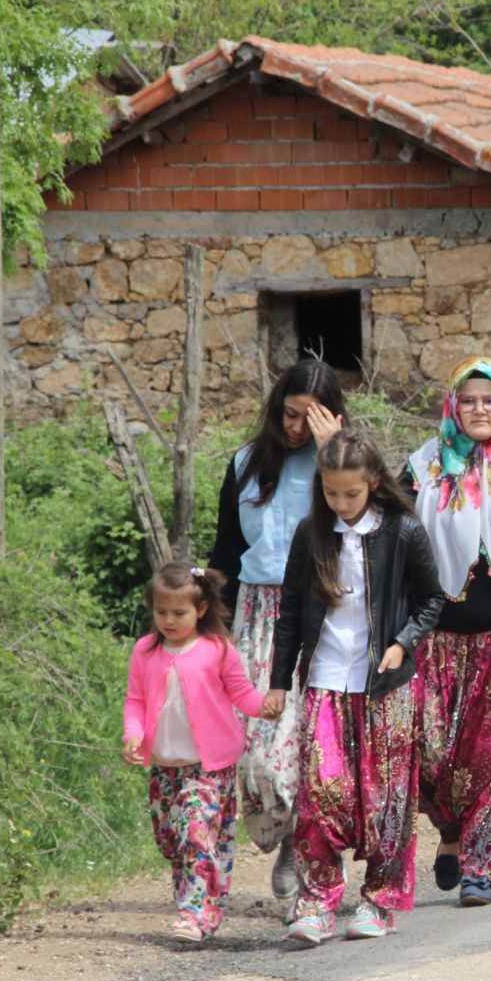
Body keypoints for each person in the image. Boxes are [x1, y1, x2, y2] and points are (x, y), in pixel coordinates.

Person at [263, 429, 445, 945]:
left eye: (351, 494)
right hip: (324, 679)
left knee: (385, 796)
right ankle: (316, 902)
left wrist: (403, 643)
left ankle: (380, 901)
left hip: (385, 683)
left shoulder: (403, 532)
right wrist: (279, 682)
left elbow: (432, 599)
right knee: (321, 794)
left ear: (372, 485)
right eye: (330, 493)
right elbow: (291, 615)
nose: (340, 504)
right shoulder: (310, 534)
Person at [405, 357, 491, 908]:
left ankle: (481, 868)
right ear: (453, 406)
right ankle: (450, 834)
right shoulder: (422, 466)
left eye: (490, 399)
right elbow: (397, 540)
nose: (480, 409)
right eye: (469, 400)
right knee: (434, 753)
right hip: (436, 636)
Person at [207, 358, 346, 903]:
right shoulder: (245, 464)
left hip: (325, 615)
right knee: (260, 750)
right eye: (289, 414)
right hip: (259, 618)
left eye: (307, 420)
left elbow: (369, 527)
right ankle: (287, 832)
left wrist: (331, 451)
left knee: (315, 744)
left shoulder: (343, 463)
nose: (294, 428)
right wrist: (209, 627)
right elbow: (225, 550)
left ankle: (305, 850)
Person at [122, 563, 277, 942]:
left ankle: (195, 916)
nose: (169, 621)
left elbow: (241, 694)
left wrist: (266, 705)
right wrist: (133, 735)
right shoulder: (145, 650)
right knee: (175, 843)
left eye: (179, 613)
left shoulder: (216, 649)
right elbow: (135, 701)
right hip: (165, 768)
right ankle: (199, 907)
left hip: (209, 769)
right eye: (161, 612)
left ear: (201, 609)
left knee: (195, 832)